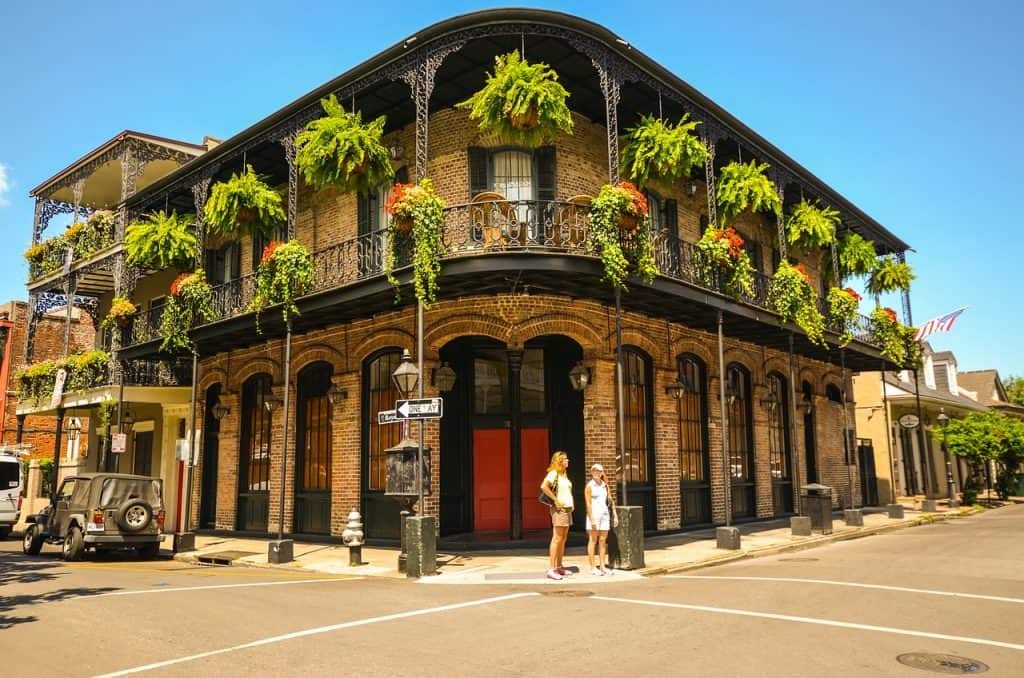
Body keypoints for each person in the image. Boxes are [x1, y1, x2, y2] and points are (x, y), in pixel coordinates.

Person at [540, 451, 573, 580]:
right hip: (559, 510)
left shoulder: (563, 474)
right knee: (557, 538)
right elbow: (544, 487)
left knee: (563, 538)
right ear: (559, 461)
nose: (567, 461)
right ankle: (552, 569)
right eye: (565, 459)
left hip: (567, 509)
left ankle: (559, 566)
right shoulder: (553, 473)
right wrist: (555, 500)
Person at [585, 463, 618, 576]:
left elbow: (610, 500)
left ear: (601, 472)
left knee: (603, 540)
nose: (596, 473)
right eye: (594, 471)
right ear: (592, 472)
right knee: (593, 540)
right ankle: (593, 567)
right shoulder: (589, 486)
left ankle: (603, 566)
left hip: (604, 515)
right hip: (594, 515)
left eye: (598, 471)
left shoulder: (605, 485)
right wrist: (592, 519)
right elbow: (588, 503)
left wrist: (614, 513)